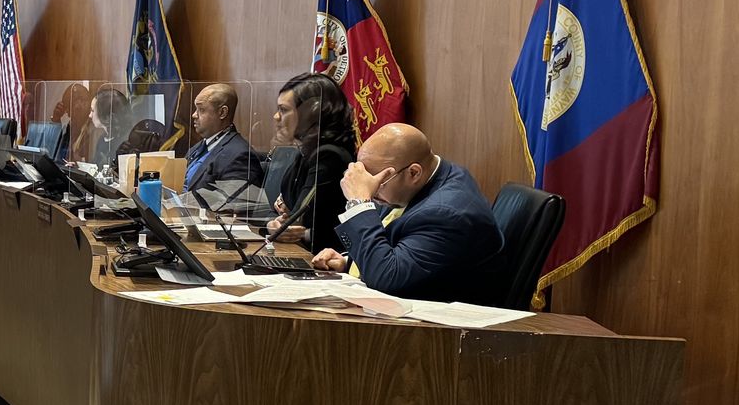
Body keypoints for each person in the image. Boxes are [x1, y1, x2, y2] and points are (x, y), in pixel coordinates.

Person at [310, 123, 504, 301]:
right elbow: (400, 249)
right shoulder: (427, 176)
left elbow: (388, 279)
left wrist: (359, 203)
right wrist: (348, 261)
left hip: (436, 329)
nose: (371, 190)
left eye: (378, 183)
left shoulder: (447, 214)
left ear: (414, 173)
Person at [266, 72, 356, 253]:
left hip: (324, 261)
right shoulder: (308, 151)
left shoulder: (329, 156)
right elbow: (288, 215)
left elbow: (301, 220)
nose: (276, 117)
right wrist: (275, 224)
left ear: (311, 113)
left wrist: (286, 226)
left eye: (283, 110)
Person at [182, 83, 266, 193]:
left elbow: (232, 205)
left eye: (201, 109)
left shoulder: (240, 155)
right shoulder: (196, 148)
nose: (194, 115)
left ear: (222, 112)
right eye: (195, 109)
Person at [85, 88, 134, 166]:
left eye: (93, 110)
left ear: (105, 114)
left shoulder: (125, 143)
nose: (90, 115)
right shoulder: (102, 139)